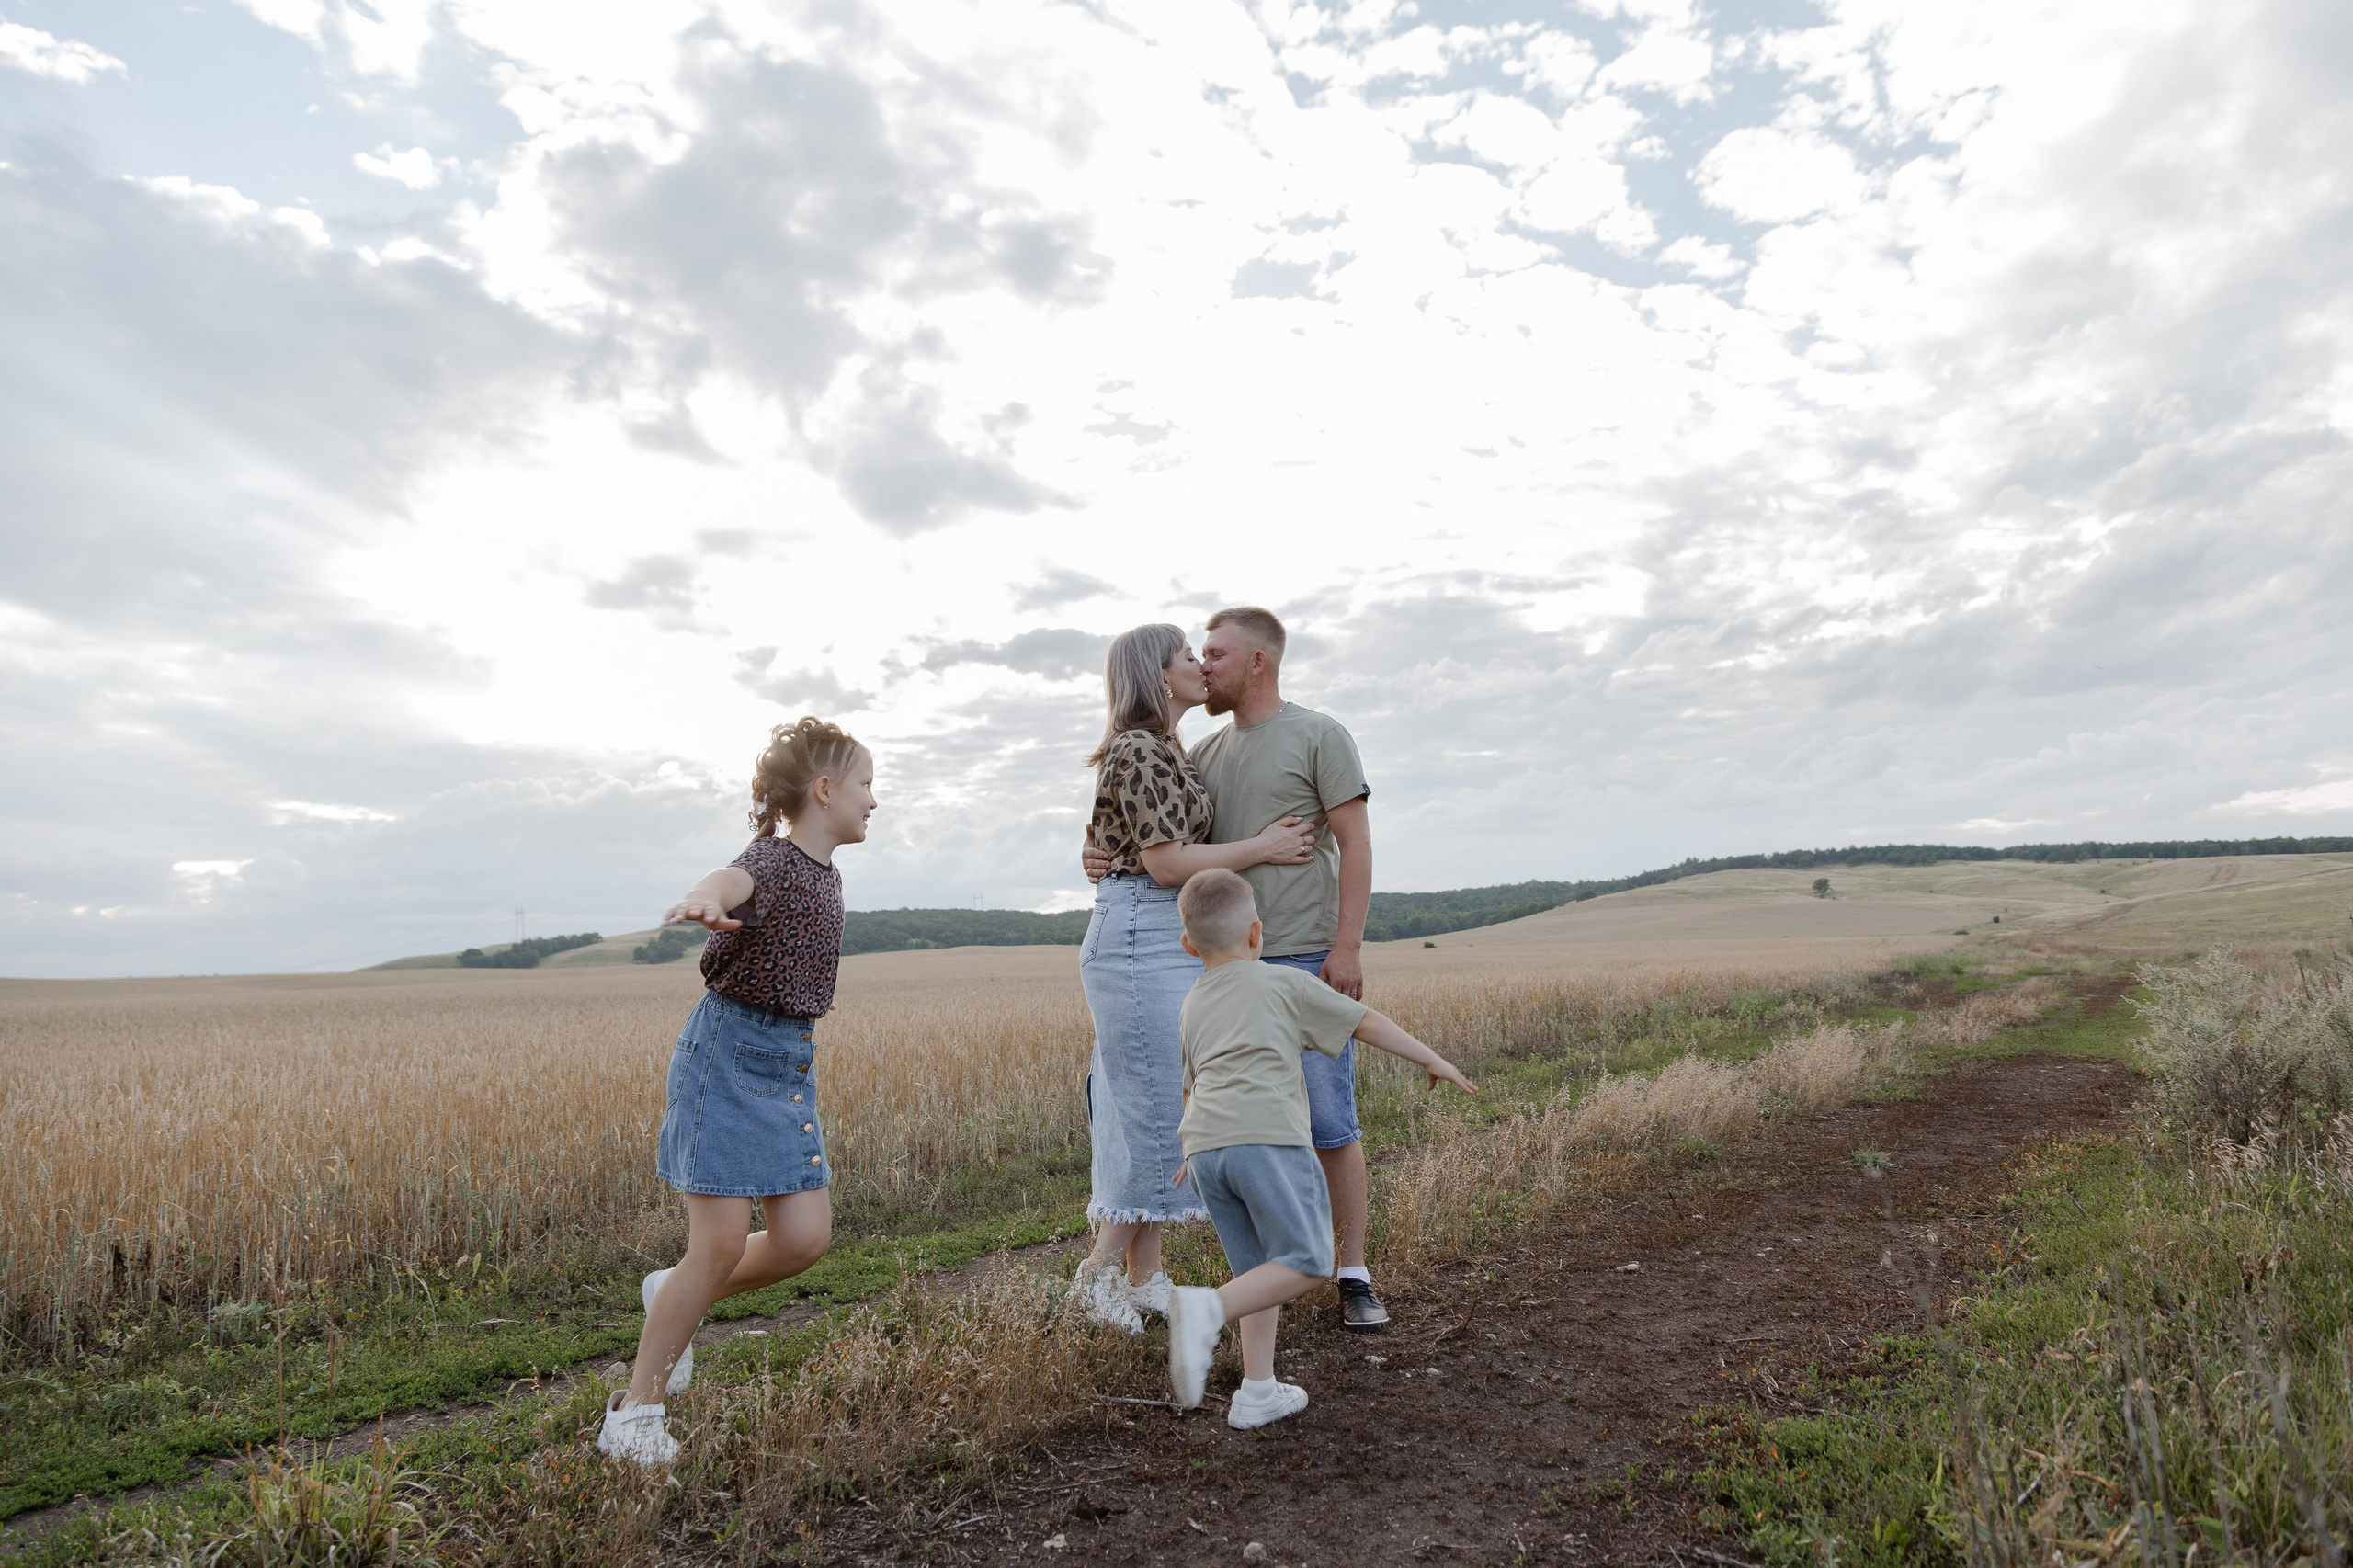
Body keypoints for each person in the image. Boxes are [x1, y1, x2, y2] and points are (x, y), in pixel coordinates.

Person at [1084, 606, 1391, 1328]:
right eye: (1194, 654)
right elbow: (1162, 847)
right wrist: (1100, 851)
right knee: (1202, 1115)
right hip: (1217, 959)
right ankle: (1246, 1276)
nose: (1204, 664)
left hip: (1303, 952)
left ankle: (1351, 1272)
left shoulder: (1317, 734)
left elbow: (1355, 842)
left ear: (1258, 661)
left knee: (1327, 1120)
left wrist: (1347, 947)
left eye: (1215, 653)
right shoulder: (1198, 751)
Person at [597, 718, 876, 1468]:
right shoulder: (773, 862)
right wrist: (701, 896)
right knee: (717, 1244)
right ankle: (635, 1413)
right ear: (825, 791)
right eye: (865, 784)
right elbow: (730, 880)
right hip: (727, 1057)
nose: (874, 800)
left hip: (787, 1062)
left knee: (803, 1240)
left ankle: (674, 1291)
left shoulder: (827, 873)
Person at [1162, 869, 1475, 1427]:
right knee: (1309, 1262)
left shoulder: (1191, 1004)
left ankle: (1257, 1392)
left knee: (1258, 1273)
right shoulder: (1285, 982)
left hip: (1207, 1151)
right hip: (1268, 1140)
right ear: (1256, 934)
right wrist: (1431, 1058)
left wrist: (1193, 1149)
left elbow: (1192, 1087)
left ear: (1189, 945)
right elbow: (1364, 1022)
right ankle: (1205, 1309)